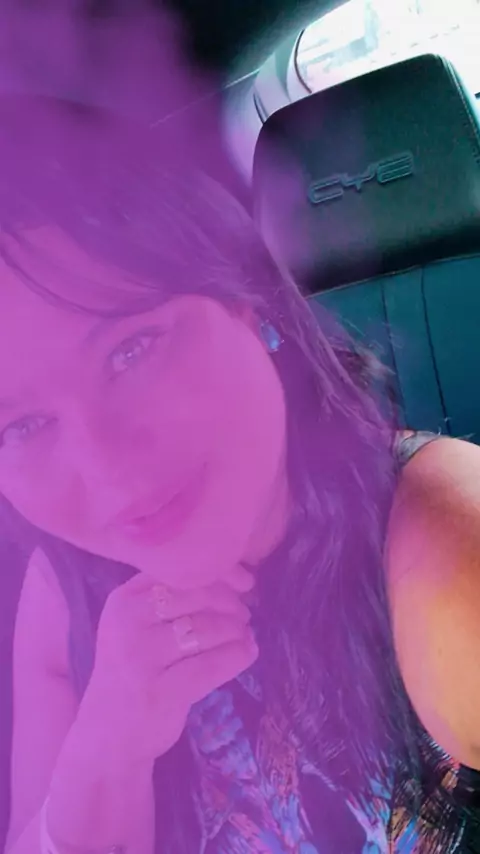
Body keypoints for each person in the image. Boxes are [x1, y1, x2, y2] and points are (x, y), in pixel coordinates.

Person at [1, 57, 480, 854]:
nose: (108, 470)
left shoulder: (440, 551)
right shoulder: (64, 590)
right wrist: (111, 743)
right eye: (20, 426)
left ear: (249, 296)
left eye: (131, 350)